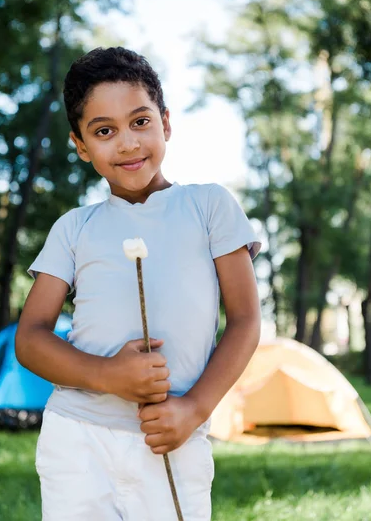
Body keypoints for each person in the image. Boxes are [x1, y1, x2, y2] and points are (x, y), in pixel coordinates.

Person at [16, 46, 262, 521]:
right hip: (78, 437)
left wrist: (193, 409)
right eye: (104, 131)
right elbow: (30, 339)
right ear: (81, 146)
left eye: (140, 122)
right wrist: (107, 376)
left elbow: (247, 320)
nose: (127, 143)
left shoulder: (209, 206)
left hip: (172, 435)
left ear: (166, 123)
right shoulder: (73, 228)